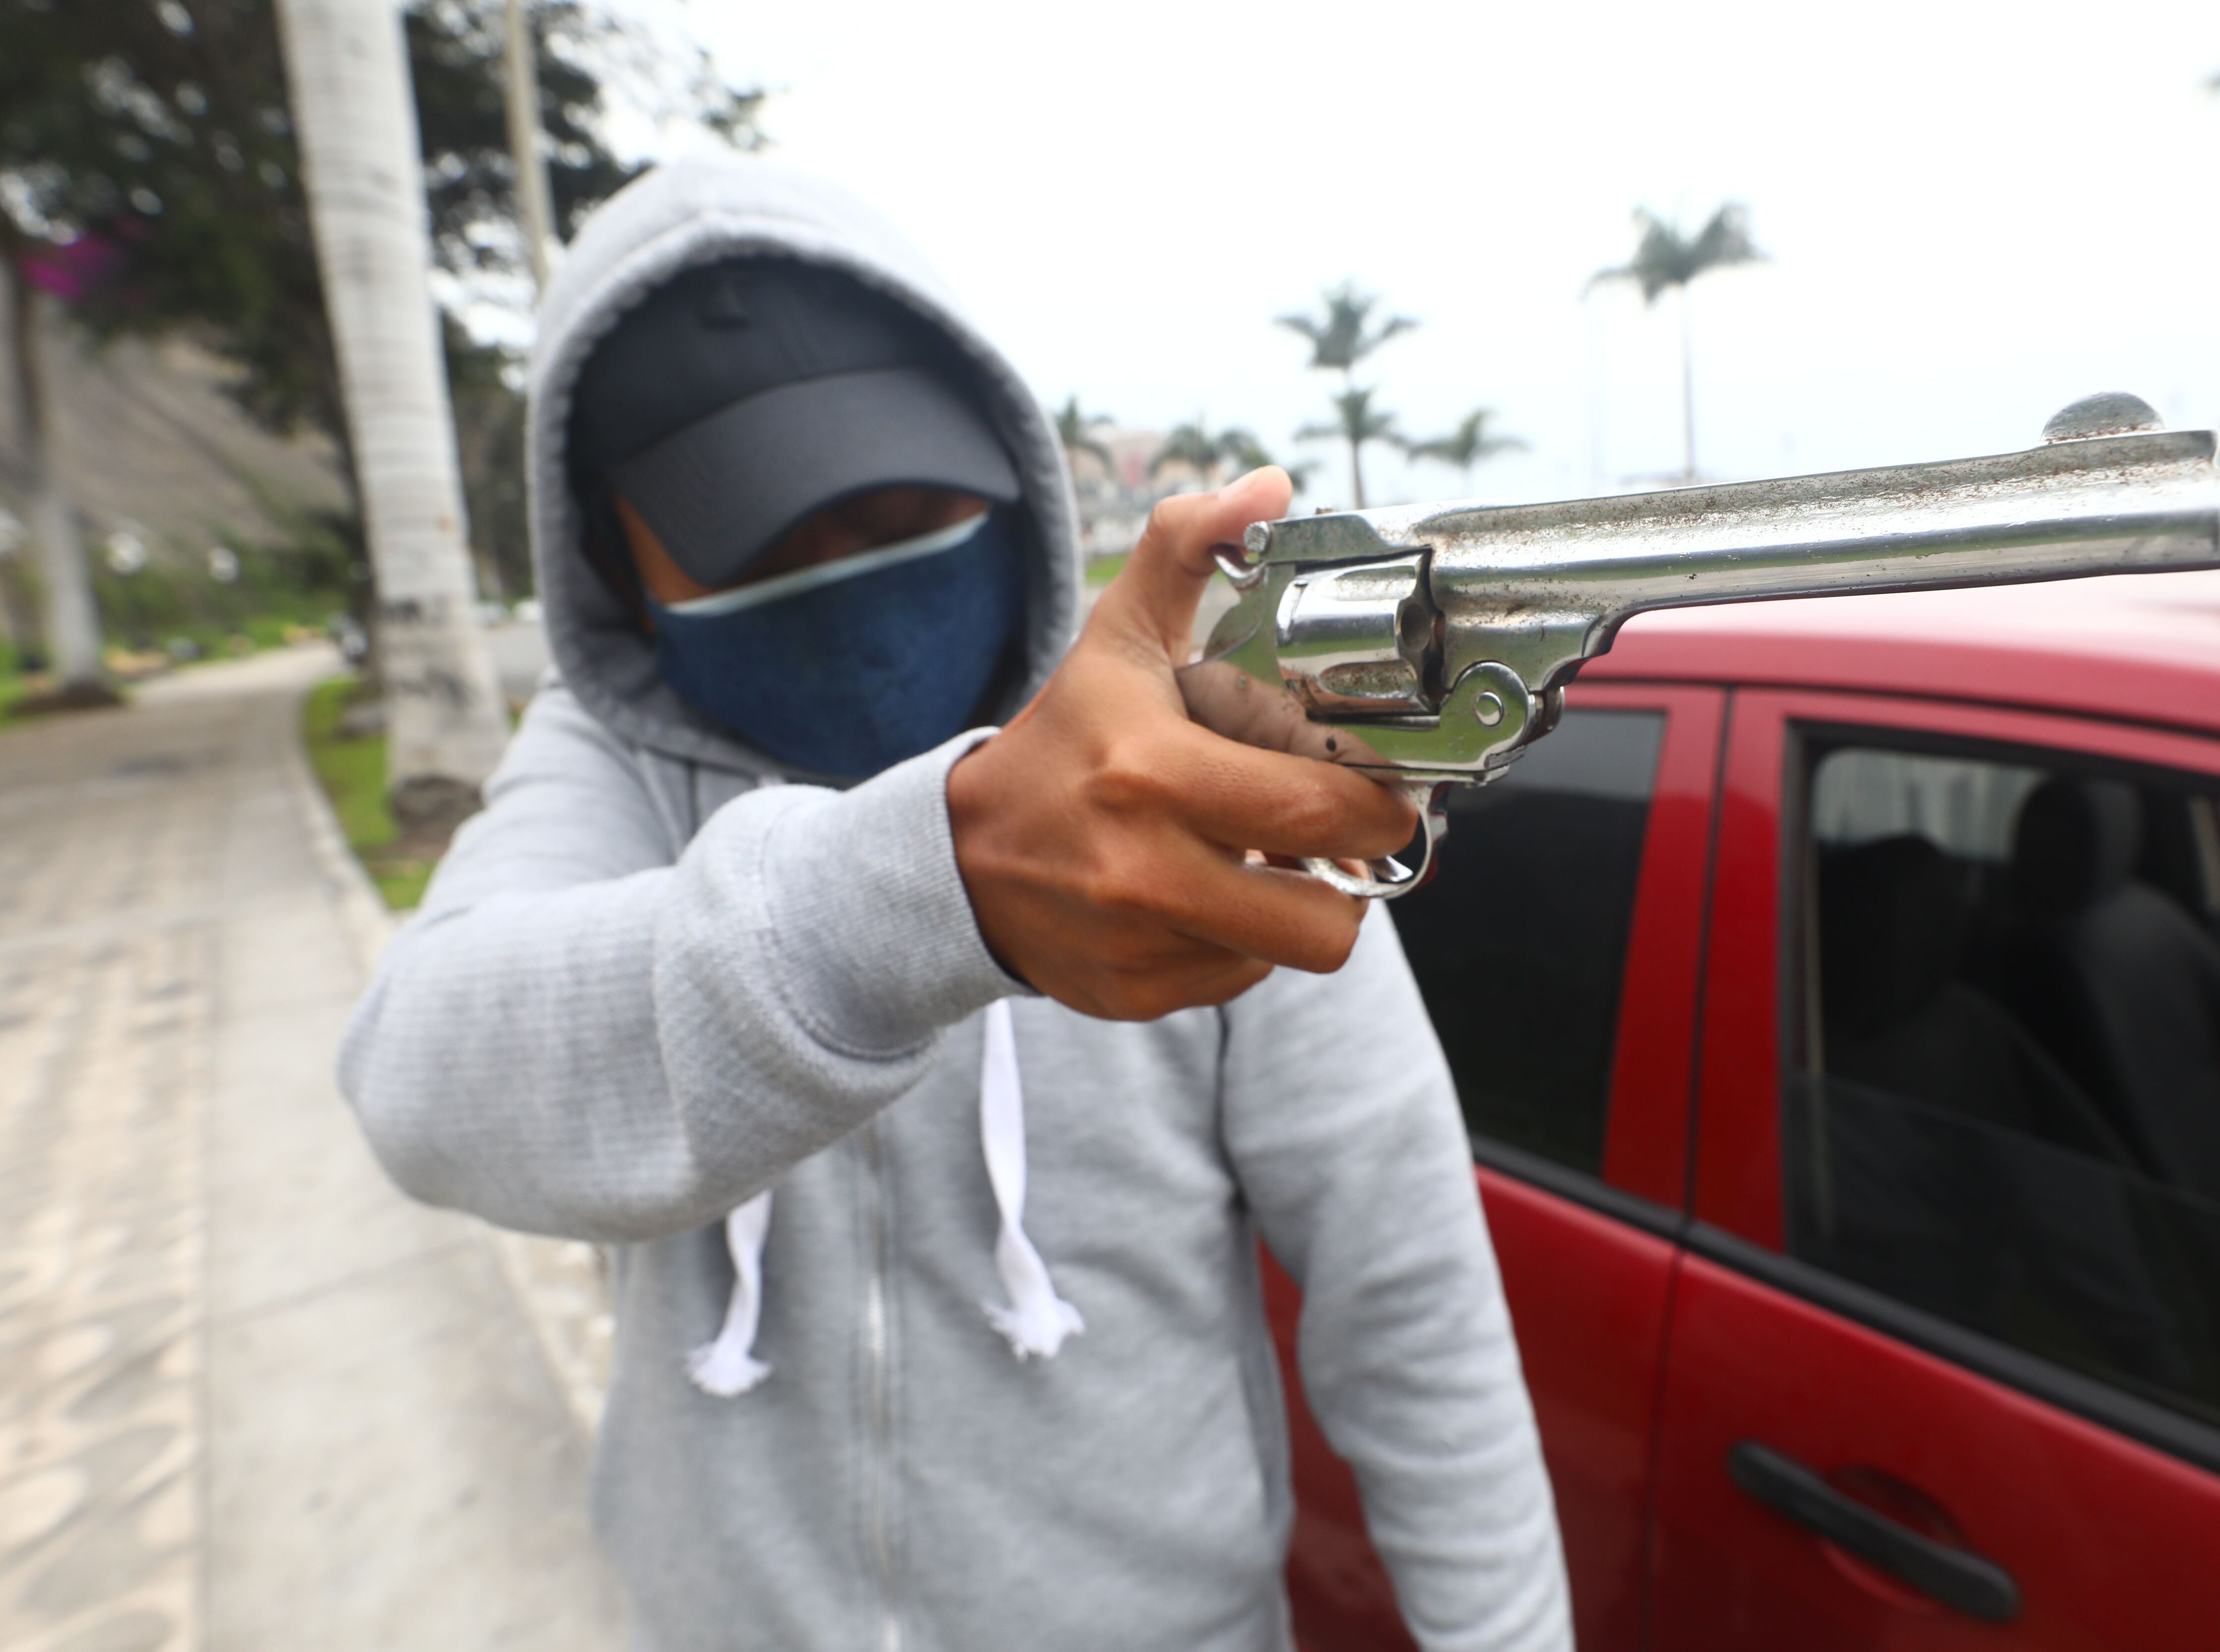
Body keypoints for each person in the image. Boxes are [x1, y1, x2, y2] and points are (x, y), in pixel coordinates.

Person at [339, 152, 1569, 1651]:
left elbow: (1414, 1303)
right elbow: (420, 1078)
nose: (846, 570)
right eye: (755, 537)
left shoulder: (1185, 769)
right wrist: (936, 894)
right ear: (615, 556)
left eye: (897, 504)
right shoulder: (609, 769)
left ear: (1000, 456)